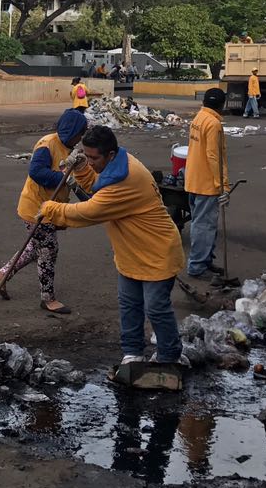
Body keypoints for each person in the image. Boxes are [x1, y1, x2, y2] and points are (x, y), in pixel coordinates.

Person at [39, 125, 187, 367]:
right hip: (131, 251)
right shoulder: (118, 163)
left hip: (157, 251)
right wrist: (83, 170)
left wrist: (50, 209)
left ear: (109, 154)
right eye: (86, 156)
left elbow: (90, 211)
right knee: (129, 305)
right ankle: (133, 353)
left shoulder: (126, 179)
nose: (91, 161)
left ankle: (170, 357)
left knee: (156, 308)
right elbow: (98, 184)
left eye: (93, 158)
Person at [0, 109, 96, 315]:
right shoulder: (47, 145)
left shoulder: (71, 149)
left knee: (34, 247)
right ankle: (48, 298)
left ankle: (3, 274)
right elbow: (36, 172)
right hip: (36, 208)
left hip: (51, 208)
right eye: (80, 133)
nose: (81, 138)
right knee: (48, 251)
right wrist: (64, 177)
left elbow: (75, 180)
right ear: (71, 130)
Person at [184, 88, 228, 281]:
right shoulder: (214, 123)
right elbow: (213, 156)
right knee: (204, 226)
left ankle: (205, 260)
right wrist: (222, 185)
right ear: (222, 105)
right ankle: (197, 266)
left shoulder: (199, 118)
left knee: (200, 224)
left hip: (193, 179)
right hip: (207, 184)